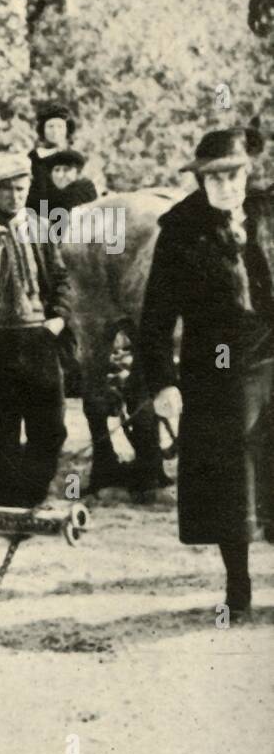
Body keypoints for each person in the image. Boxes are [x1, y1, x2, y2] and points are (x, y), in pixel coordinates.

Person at [140, 126, 273, 620]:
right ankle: (238, 590)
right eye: (213, 177)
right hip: (218, 365)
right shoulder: (180, 230)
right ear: (200, 180)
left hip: (271, 358)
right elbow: (155, 316)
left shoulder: (266, 214)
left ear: (248, 172)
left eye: (233, 174)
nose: (225, 185)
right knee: (230, 483)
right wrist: (162, 382)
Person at [0, 152, 75, 508]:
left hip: (40, 337)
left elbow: (62, 278)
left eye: (21, 189)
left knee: (50, 427)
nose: (16, 196)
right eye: (7, 190)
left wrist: (59, 318)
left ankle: (33, 499)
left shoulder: (37, 225)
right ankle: (5, 506)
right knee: (1, 428)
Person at [27, 101, 80, 215]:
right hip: (36, 213)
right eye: (50, 126)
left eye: (60, 127)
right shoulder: (32, 158)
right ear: (43, 129)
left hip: (66, 214)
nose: (55, 131)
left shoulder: (73, 158)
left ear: (67, 130)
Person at [44, 147, 99, 213]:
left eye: (66, 170)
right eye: (56, 170)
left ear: (78, 173)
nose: (60, 175)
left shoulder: (87, 194)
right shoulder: (45, 196)